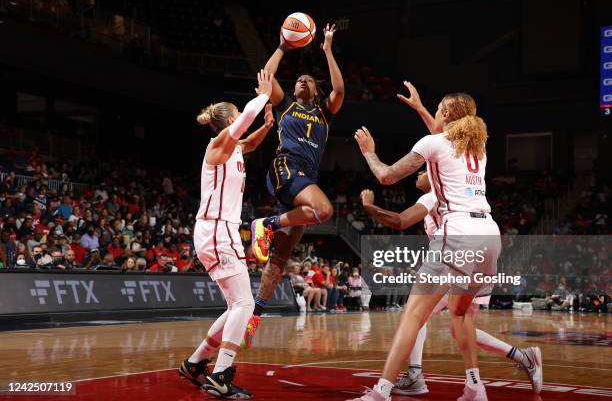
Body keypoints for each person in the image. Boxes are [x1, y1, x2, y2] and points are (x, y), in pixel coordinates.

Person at [350, 92, 508, 401]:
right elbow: (441, 135)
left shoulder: (432, 143)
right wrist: (422, 108)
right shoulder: (477, 146)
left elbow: (385, 176)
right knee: (461, 316)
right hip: (489, 233)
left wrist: (369, 152)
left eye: (438, 109)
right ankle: (475, 388)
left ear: (447, 114)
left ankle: (380, 392)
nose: (434, 113)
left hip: (459, 230)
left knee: (412, 316)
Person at [360, 170, 542, 396]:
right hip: (478, 254)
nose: (418, 174)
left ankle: (414, 376)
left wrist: (369, 206)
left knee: (416, 314)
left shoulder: (432, 195)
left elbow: (399, 220)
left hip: (456, 259)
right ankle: (522, 357)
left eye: (423, 171)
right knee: (460, 326)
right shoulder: (455, 196)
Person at [244, 23, 345, 347]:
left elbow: (340, 90)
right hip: (286, 166)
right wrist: (283, 47)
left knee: (280, 257)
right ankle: (267, 223)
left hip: (304, 180)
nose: (302, 80)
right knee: (324, 209)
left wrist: (327, 50)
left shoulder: (324, 113)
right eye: (299, 79)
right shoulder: (287, 103)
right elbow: (266, 79)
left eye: (309, 80)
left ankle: (255, 313)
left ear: (315, 90)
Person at [177, 70, 275, 400]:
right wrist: (262, 95)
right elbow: (246, 119)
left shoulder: (233, 147)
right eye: (237, 118)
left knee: (237, 303)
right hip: (218, 230)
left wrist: (267, 126)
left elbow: (250, 140)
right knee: (244, 304)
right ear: (230, 120)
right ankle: (221, 374)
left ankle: (194, 363)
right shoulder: (218, 145)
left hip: (218, 231)